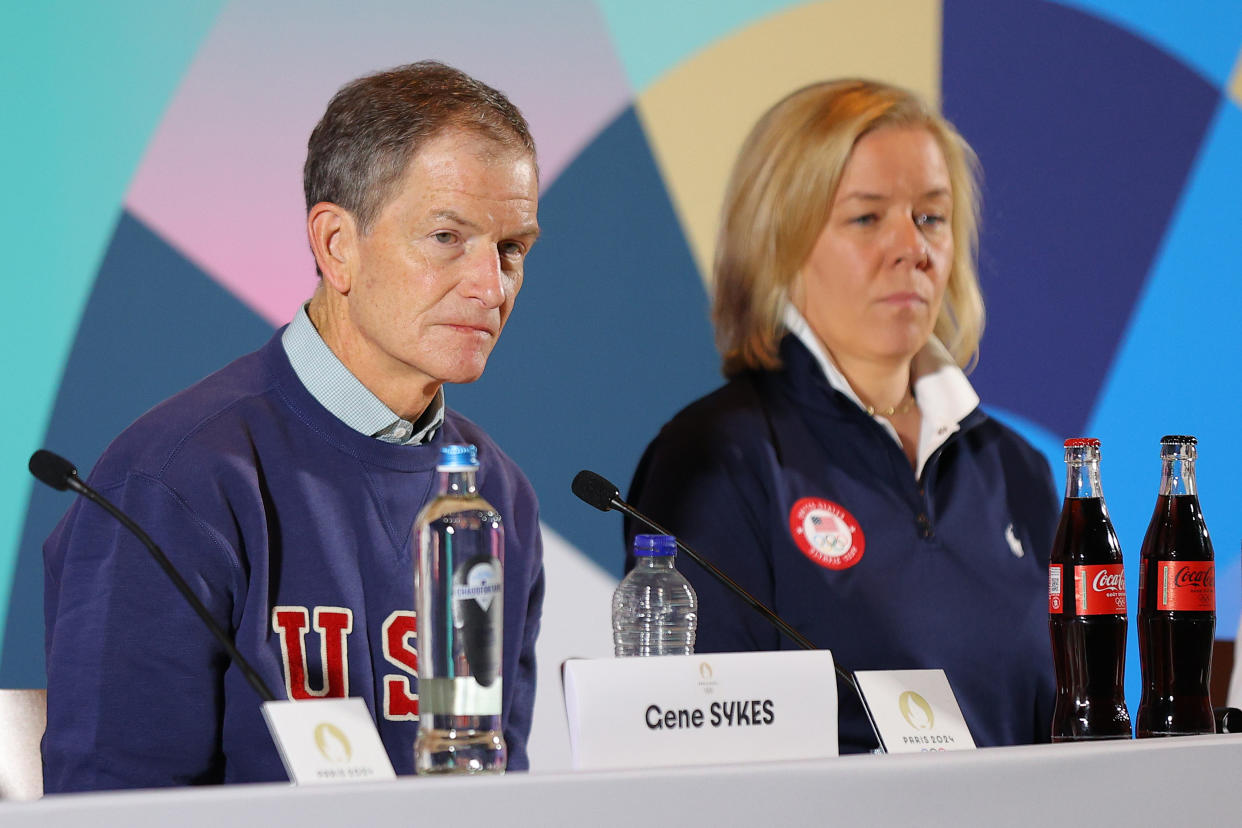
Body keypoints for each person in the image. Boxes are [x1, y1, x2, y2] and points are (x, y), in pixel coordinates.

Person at [42, 61, 544, 790]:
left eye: (511, 249)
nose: (490, 286)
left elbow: (501, 792)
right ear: (337, 244)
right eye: (446, 237)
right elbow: (112, 805)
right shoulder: (173, 482)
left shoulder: (498, 497)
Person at [627, 79, 1058, 753]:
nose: (911, 248)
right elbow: (701, 753)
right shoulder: (719, 458)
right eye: (867, 218)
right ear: (779, 244)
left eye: (931, 218)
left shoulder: (1017, 472)